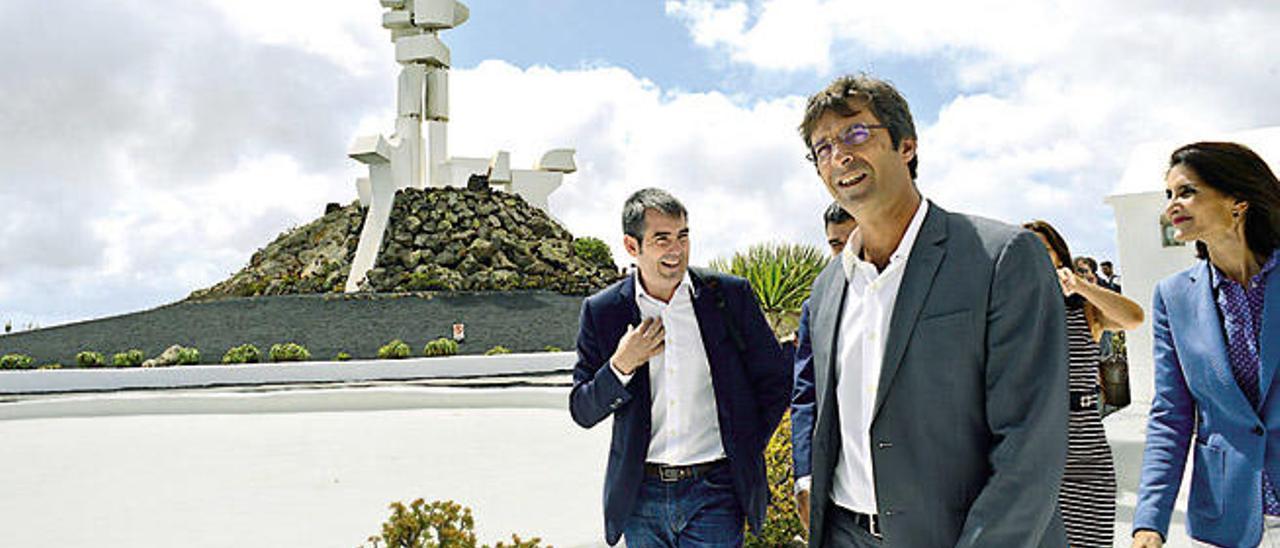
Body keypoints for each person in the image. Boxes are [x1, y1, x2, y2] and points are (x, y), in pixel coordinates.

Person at [795, 73, 1069, 547]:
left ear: (906, 145)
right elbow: (813, 403)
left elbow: (1030, 444)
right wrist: (806, 480)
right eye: (822, 148)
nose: (839, 154)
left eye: (857, 133)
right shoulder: (826, 290)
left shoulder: (1001, 257)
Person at [569, 188, 791, 547]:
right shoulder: (603, 311)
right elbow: (582, 408)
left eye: (682, 236)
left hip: (716, 492)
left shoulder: (729, 297)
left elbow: (776, 380)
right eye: (662, 239)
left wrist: (744, 442)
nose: (676, 250)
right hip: (640, 497)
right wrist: (622, 365)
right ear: (631, 246)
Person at [1133, 142, 1280, 548]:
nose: (1171, 207)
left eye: (1186, 192)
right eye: (1169, 196)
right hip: (1225, 518)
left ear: (1238, 200)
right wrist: (1150, 520)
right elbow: (1171, 414)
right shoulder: (1173, 297)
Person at [1024, 220, 1145, 548]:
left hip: (1084, 452)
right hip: (1030, 450)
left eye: (1043, 248)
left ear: (1059, 255)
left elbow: (1134, 318)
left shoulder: (1084, 310)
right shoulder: (1012, 310)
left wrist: (1081, 286)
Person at [791, 202, 857, 534]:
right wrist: (804, 478)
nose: (845, 251)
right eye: (835, 243)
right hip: (842, 497)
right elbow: (805, 396)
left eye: (853, 238)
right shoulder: (815, 306)